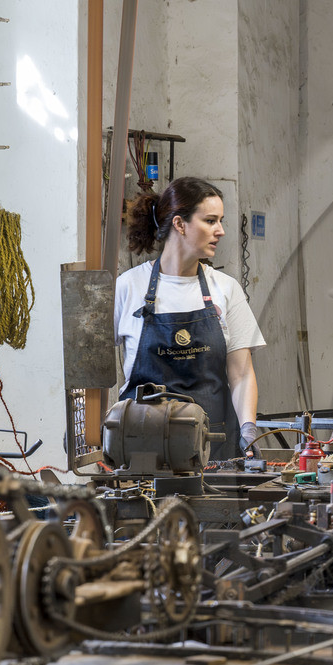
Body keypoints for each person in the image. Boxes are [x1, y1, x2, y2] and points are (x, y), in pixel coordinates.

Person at [117, 177, 265, 460]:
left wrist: (248, 430)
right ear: (179, 224)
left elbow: (242, 373)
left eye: (220, 221)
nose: (220, 231)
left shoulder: (225, 288)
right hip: (141, 450)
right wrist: (90, 431)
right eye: (210, 221)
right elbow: (92, 365)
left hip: (212, 448)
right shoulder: (129, 287)